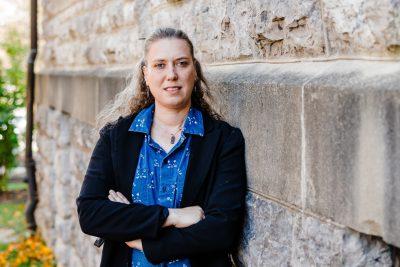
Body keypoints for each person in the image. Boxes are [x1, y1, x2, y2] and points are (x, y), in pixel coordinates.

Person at [76, 27, 247, 267]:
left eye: (181, 63)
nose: (172, 74)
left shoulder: (223, 140)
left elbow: (221, 230)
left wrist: (141, 241)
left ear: (195, 71)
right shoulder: (116, 138)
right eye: (160, 65)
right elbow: (91, 214)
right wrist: (172, 216)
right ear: (145, 74)